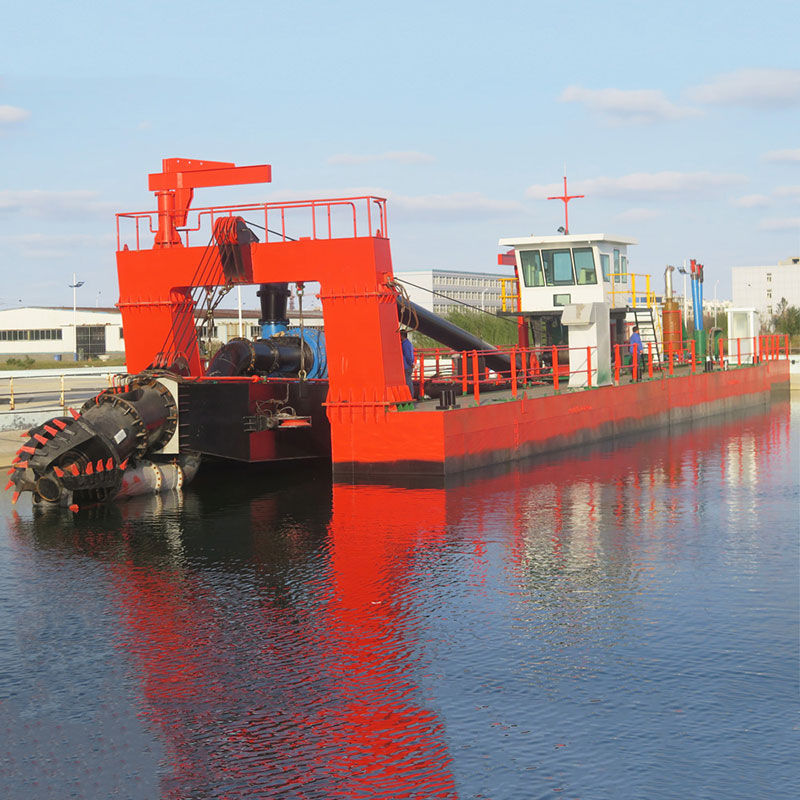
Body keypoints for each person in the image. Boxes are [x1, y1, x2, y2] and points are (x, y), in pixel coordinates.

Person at [400, 330, 415, 399]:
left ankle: (409, 396)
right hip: (408, 365)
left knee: (407, 382)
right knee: (409, 381)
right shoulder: (408, 344)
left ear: (402, 336)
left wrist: (410, 363)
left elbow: (407, 355)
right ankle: (410, 396)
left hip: (406, 366)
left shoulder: (404, 345)